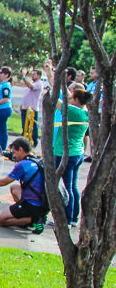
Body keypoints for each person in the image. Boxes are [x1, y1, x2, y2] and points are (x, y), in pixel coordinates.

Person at [0, 137, 48, 233]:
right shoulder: (36, 160)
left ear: (21, 150)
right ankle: (29, 217)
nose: (14, 156)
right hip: (42, 202)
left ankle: (35, 220)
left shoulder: (23, 165)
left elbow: (5, 181)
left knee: (1, 220)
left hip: (32, 204)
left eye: (15, 152)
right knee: (14, 188)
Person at [53, 89, 91, 227]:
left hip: (65, 154)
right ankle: (74, 217)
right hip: (77, 153)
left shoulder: (72, 112)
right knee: (73, 186)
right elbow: (68, 96)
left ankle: (67, 219)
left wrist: (51, 87)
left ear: (75, 99)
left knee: (66, 188)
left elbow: (56, 101)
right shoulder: (85, 112)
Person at [19, 68, 45, 148]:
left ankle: (33, 142)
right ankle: (24, 141)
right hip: (25, 108)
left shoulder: (38, 84)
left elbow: (30, 86)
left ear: (39, 76)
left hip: (32, 109)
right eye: (32, 74)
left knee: (32, 127)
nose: (32, 76)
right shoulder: (32, 84)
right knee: (24, 126)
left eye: (34, 74)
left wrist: (23, 77)